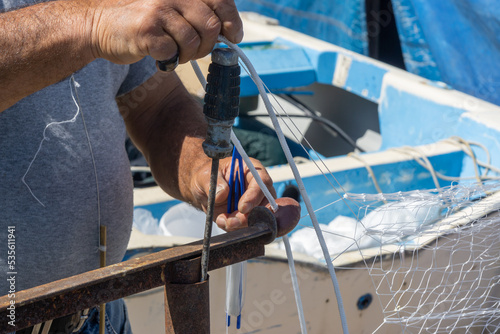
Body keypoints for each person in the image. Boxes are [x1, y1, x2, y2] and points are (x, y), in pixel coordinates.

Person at [0, 0, 299, 332]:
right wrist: (93, 24)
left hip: (98, 315)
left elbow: (156, 106)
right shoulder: (99, 13)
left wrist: (204, 168)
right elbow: (98, 27)